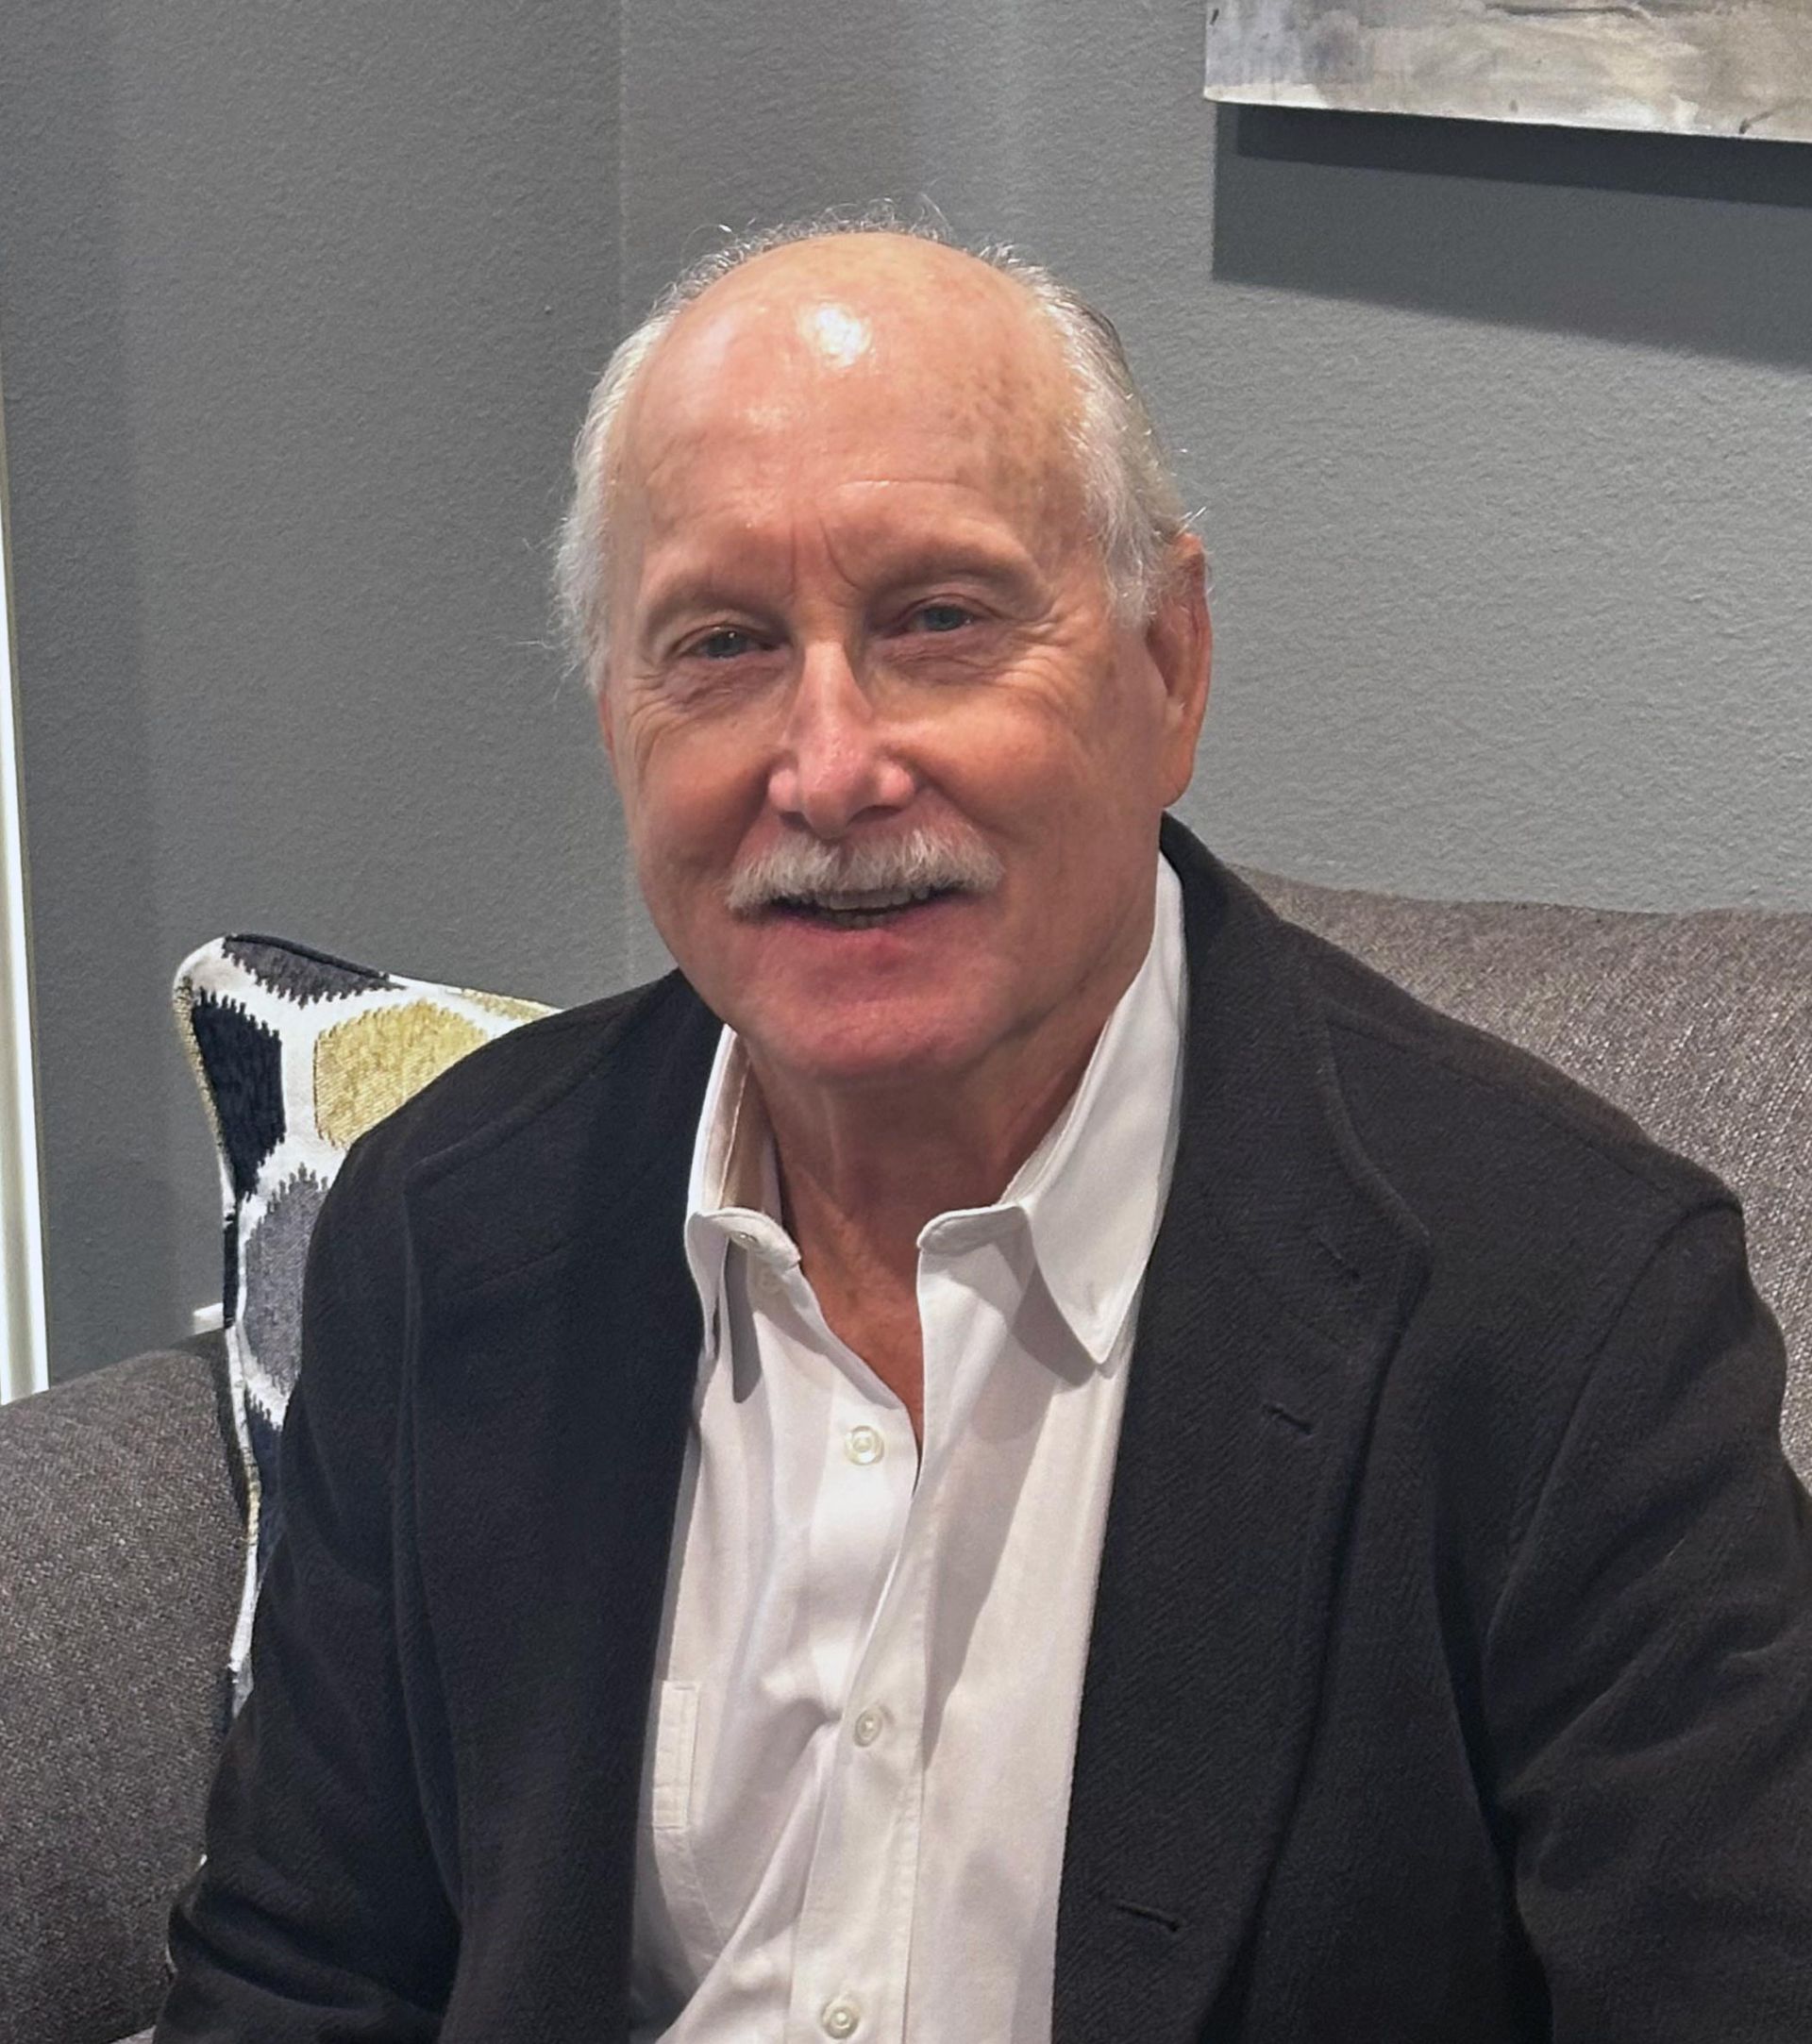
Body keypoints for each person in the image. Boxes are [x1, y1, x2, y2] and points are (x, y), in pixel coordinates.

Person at [157, 219, 1812, 2042]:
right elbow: (303, 1967)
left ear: (1168, 665)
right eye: (719, 643)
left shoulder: (1565, 1307)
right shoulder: (443, 1222)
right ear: (617, 722)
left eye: (938, 618)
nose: (833, 766)